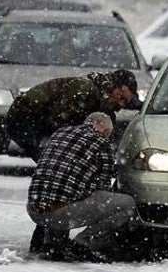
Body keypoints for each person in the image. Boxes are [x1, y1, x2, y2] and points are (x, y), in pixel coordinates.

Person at [26, 112, 139, 261]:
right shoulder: (101, 142)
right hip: (61, 212)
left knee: (60, 192)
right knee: (127, 204)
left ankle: (52, 245)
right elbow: (102, 188)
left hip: (34, 210)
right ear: (105, 131)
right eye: (108, 134)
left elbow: (58, 175)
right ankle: (83, 243)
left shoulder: (61, 132)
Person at [4, 69, 139, 159]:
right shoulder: (83, 90)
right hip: (24, 118)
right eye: (120, 97)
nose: (120, 104)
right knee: (54, 161)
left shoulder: (105, 100)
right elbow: (56, 123)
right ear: (111, 87)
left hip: (40, 121)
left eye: (125, 102)